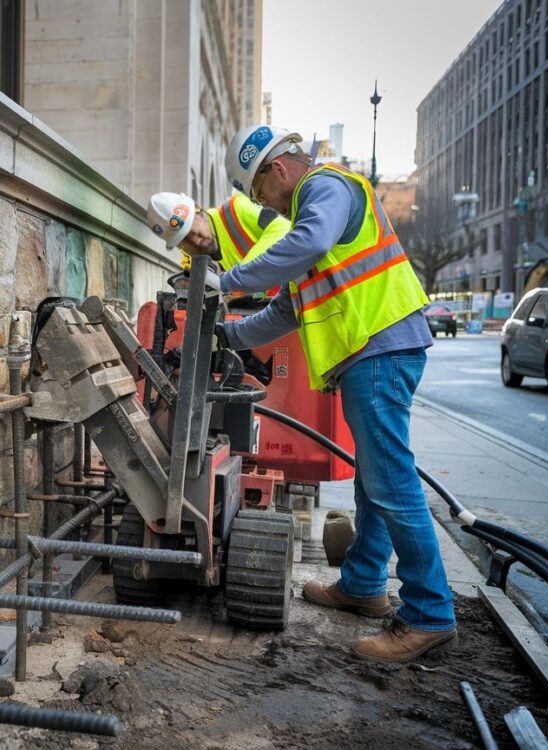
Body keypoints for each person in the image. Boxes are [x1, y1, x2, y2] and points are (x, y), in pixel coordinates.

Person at [219, 125, 456, 663]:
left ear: (277, 169)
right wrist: (225, 334)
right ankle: (364, 585)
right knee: (377, 481)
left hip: (379, 348)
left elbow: (311, 243)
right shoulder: (308, 218)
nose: (267, 208)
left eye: (261, 195)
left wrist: (226, 281)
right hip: (373, 354)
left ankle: (429, 615)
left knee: (392, 483)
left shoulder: (326, 190)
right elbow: (285, 310)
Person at [146, 190, 291, 276]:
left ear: (199, 210)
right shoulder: (191, 265)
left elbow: (284, 228)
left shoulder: (238, 209)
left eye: (193, 229)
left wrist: (240, 276)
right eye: (185, 240)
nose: (195, 241)